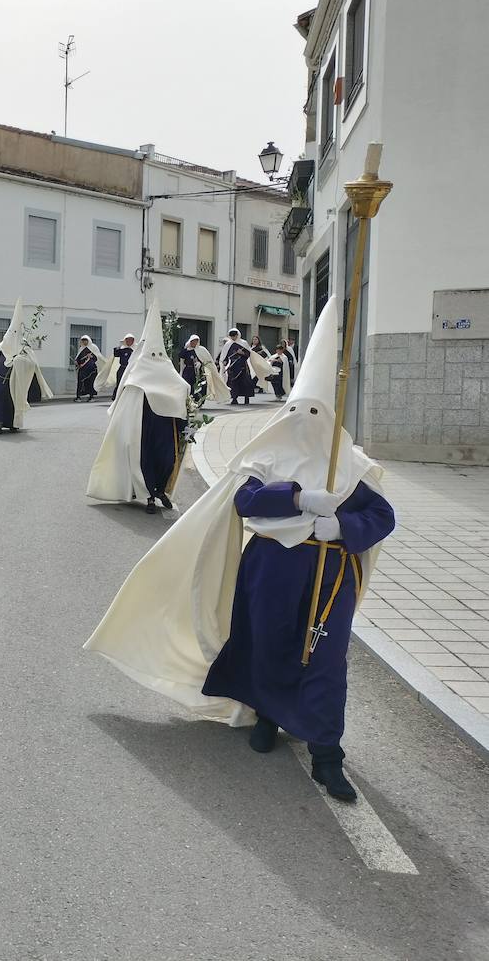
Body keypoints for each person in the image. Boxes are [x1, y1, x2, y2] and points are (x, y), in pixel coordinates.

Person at [85, 299, 395, 803]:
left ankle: (326, 753)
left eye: (316, 412)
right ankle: (267, 715)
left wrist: (340, 526)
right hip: (272, 567)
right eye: (299, 410)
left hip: (331, 573)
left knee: (325, 659)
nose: (305, 420)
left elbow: (382, 518)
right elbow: (245, 500)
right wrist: (295, 496)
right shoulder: (269, 453)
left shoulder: (350, 464)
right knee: (268, 645)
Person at [86, 302, 189, 514]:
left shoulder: (165, 365)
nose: (154, 355)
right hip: (143, 425)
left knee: (167, 459)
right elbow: (125, 394)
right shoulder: (135, 371)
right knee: (144, 460)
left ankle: (161, 490)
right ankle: (150, 496)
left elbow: (181, 386)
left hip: (165, 424)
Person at [0, 299, 54, 433]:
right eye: (11, 333)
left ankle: (13, 424)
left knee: (13, 403)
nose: (11, 336)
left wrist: (18, 361)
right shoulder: (2, 345)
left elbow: (31, 364)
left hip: (15, 384)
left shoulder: (24, 348)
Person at [219, 329, 256, 405]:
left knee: (245, 382)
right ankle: (234, 398)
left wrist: (242, 353)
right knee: (233, 382)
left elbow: (249, 354)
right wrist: (225, 361)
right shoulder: (228, 344)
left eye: (234, 336)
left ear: (237, 335)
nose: (233, 338)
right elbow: (225, 355)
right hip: (232, 366)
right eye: (231, 336)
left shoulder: (243, 343)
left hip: (242, 365)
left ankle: (246, 398)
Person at [74, 335, 105, 402]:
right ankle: (78, 396)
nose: (84, 342)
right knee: (80, 382)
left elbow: (98, 357)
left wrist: (92, 356)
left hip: (92, 369)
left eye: (86, 340)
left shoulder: (93, 347)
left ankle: (91, 397)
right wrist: (77, 362)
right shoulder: (81, 348)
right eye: (83, 340)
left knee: (91, 383)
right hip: (82, 369)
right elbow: (78, 357)